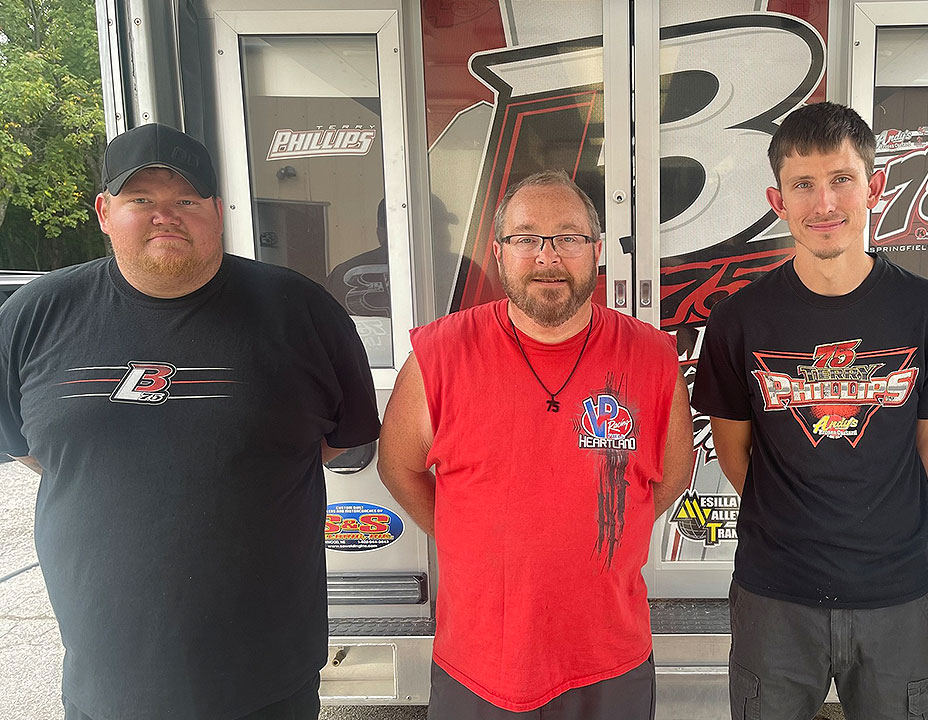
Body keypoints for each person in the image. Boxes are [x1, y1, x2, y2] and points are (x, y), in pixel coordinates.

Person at [0, 123, 380, 720]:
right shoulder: (34, 316)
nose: (165, 216)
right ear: (104, 211)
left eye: (185, 200)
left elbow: (338, 438)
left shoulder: (300, 311)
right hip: (109, 675)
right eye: (141, 200)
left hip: (267, 674)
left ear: (217, 212)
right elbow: (28, 445)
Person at [692, 102, 928, 720]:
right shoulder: (739, 320)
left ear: (874, 186)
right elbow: (734, 455)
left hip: (895, 594)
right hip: (774, 594)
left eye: (841, 180)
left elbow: (924, 454)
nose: (824, 204)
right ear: (778, 200)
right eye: (804, 185)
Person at [377, 169, 694, 719]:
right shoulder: (441, 355)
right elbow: (398, 466)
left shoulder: (651, 357)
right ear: (499, 252)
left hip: (609, 661)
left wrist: (599, 538)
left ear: (596, 251)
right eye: (526, 238)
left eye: (569, 238)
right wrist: (470, 536)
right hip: (478, 664)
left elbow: (669, 477)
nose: (548, 256)